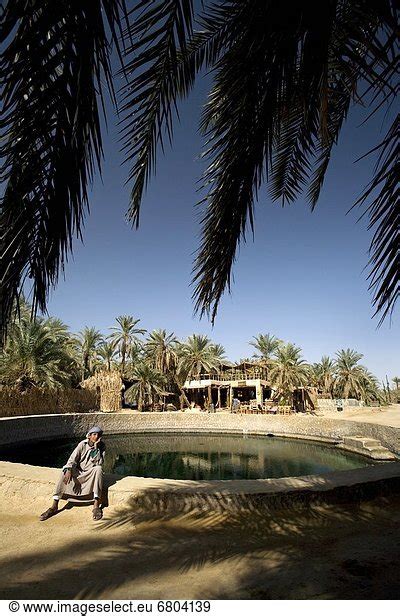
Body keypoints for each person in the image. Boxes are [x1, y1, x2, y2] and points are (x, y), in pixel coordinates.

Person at [40, 426, 106, 522]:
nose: (96, 437)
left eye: (98, 435)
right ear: (89, 436)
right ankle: (54, 505)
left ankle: (96, 505)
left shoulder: (102, 446)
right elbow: (72, 459)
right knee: (65, 471)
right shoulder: (82, 445)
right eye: (94, 434)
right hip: (79, 471)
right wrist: (69, 469)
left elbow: (99, 463)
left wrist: (96, 448)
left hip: (90, 473)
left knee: (99, 469)